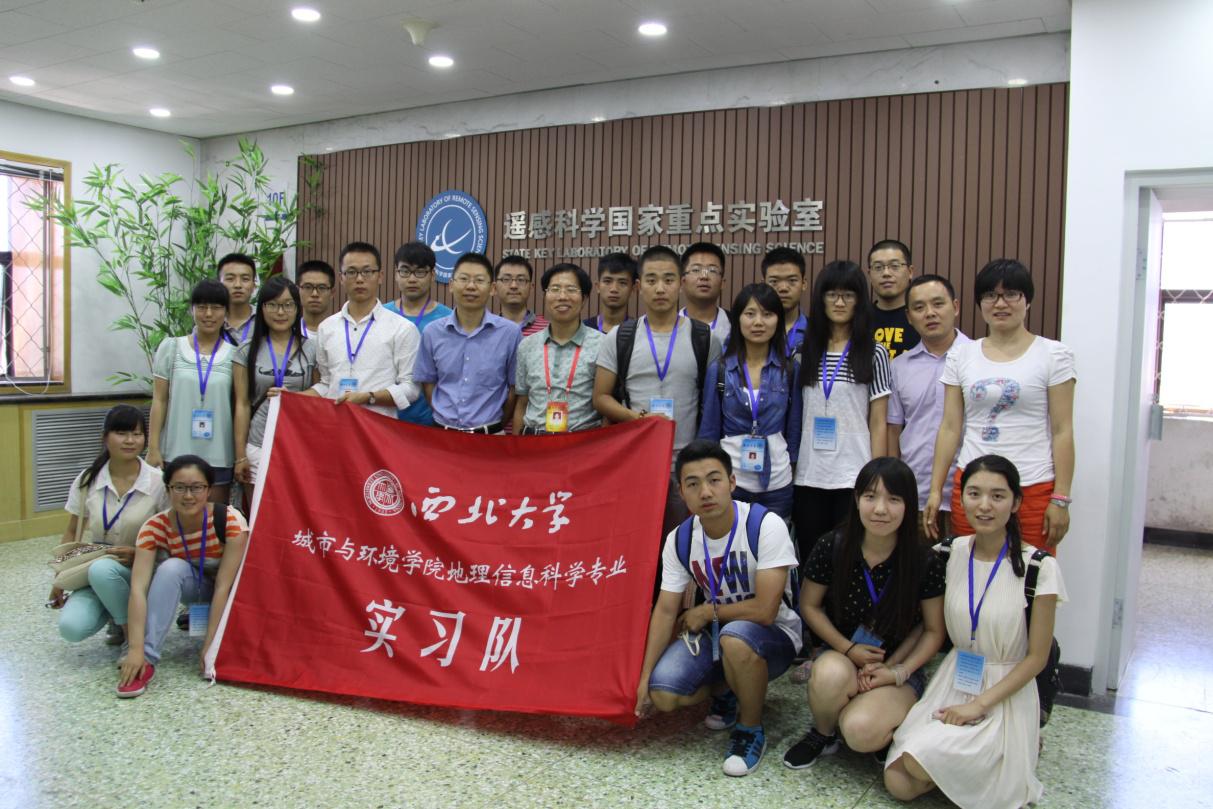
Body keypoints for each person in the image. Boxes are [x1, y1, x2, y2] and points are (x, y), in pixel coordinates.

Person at [884, 455, 1066, 808]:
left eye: (997, 496)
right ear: (961, 498)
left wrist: (979, 706)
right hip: (956, 677)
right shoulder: (947, 553)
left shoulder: (1039, 567)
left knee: (919, 763)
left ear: (1016, 503)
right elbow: (926, 625)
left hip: (1005, 689)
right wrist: (894, 667)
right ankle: (968, 767)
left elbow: (1037, 658)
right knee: (898, 781)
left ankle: (1011, 748)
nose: (984, 506)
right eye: (974, 493)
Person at [634, 440, 801, 777]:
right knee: (664, 694)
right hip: (717, 634)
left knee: (736, 637)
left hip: (772, 636)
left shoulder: (764, 525)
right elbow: (665, 610)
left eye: (714, 480)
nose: (706, 492)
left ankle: (749, 729)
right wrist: (644, 677)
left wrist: (707, 612)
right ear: (681, 492)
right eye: (693, 484)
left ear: (732, 482)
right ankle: (728, 690)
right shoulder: (680, 539)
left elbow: (765, 610)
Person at [783, 457, 946, 769]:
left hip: (899, 666)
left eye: (893, 499)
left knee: (860, 732)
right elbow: (809, 605)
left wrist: (897, 671)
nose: (880, 509)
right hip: (843, 654)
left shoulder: (925, 561)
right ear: (857, 499)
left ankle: (870, 717)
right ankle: (823, 732)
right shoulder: (832, 546)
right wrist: (849, 649)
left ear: (909, 504)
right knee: (829, 675)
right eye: (870, 497)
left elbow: (933, 630)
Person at [924, 259, 1076, 549]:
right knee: (968, 568)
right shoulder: (961, 356)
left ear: (1027, 300)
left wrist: (1061, 499)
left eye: (1011, 294)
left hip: (1032, 486)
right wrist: (935, 490)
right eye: (990, 295)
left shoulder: (1054, 355)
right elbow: (950, 428)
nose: (1000, 303)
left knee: (1030, 571)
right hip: (972, 487)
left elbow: (1062, 430)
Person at [594, 245, 721, 540]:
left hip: (688, 465)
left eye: (668, 279)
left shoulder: (704, 338)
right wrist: (639, 418)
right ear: (639, 287)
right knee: (635, 540)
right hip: (636, 461)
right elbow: (600, 397)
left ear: (681, 283)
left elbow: (713, 403)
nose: (660, 288)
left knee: (685, 543)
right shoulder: (620, 337)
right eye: (651, 280)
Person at [117, 455, 250, 698]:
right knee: (171, 568)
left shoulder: (230, 521)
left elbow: (224, 586)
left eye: (196, 487)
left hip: (233, 597)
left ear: (209, 490)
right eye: (179, 487)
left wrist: (210, 646)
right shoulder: (154, 528)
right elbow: (138, 589)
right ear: (168, 489)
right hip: (198, 590)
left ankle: (222, 638)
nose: (188, 496)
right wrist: (135, 649)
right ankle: (146, 660)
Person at [793, 260, 891, 563]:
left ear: (859, 301)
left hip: (853, 475)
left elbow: (879, 421)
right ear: (820, 298)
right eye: (832, 294)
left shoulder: (874, 353)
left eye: (848, 295)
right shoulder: (803, 351)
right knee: (811, 558)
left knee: (849, 559)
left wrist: (876, 477)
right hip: (809, 475)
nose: (839, 302)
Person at [50, 405, 168, 647]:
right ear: (105, 437)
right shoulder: (88, 479)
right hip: (96, 565)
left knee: (102, 571)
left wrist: (139, 554)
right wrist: (59, 579)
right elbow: (72, 530)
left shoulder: (158, 482)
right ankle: (118, 613)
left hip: (143, 569)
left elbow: (171, 535)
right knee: (71, 628)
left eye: (137, 434)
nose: (130, 440)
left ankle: (132, 637)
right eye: (121, 433)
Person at [697, 283, 802, 520]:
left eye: (767, 314)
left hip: (777, 484)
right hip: (730, 482)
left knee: (773, 542)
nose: (758, 322)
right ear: (738, 319)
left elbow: (794, 428)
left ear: (778, 320)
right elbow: (709, 431)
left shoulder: (789, 370)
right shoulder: (720, 369)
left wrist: (794, 469)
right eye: (750, 314)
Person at [887, 275, 971, 539]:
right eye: (919, 307)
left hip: (970, 494)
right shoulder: (899, 367)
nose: (930, 313)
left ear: (955, 307)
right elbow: (893, 430)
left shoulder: (979, 359)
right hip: (917, 494)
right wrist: (894, 487)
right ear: (909, 317)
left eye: (938, 304)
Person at [147, 279, 238, 503]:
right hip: (176, 450)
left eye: (216, 307)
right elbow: (159, 400)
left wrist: (240, 455)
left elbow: (240, 407)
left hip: (219, 453)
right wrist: (153, 447)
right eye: (202, 307)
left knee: (215, 518)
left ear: (226, 312)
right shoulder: (171, 348)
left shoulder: (236, 354)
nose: (209, 314)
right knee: (177, 516)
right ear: (192, 309)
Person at [309, 241, 422, 419]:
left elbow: (411, 388)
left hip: (376, 428)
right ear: (341, 278)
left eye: (367, 271)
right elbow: (326, 383)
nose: (360, 279)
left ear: (380, 276)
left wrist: (369, 397)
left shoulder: (402, 328)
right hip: (335, 425)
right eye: (351, 272)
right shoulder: (326, 328)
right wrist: (288, 396)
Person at [415, 252, 521, 433]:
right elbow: (428, 383)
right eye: (463, 279)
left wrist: (497, 425)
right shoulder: (432, 332)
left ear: (492, 288)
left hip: (490, 436)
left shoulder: (510, 333)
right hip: (443, 435)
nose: (471, 286)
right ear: (451, 285)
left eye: (479, 280)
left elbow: (514, 387)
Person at [233, 276, 317, 493]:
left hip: (298, 444)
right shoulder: (246, 351)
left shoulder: (312, 349)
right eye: (273, 305)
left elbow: (322, 392)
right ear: (262, 308)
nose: (280, 312)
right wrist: (240, 456)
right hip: (258, 443)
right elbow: (242, 404)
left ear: (297, 309)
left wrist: (295, 398)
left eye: (288, 305)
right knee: (258, 510)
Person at [513, 263, 603, 434]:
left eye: (571, 289)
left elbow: (605, 406)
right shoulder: (527, 345)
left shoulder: (602, 344)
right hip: (533, 441)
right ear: (545, 296)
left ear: (584, 298)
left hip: (581, 442)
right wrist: (516, 446)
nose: (562, 296)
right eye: (554, 289)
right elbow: (522, 403)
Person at [384, 241, 453, 426]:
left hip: (432, 421)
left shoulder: (449, 320)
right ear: (396, 274)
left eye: (420, 272)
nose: (412, 279)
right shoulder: (381, 315)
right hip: (385, 417)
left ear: (432, 275)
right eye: (405, 271)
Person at [867, 240, 920, 360]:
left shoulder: (922, 317)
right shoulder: (859, 319)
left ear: (910, 272)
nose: (886, 273)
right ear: (869, 275)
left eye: (895, 266)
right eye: (878, 267)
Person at [680, 241, 731, 346]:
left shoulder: (737, 325)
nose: (704, 276)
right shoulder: (668, 327)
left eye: (712, 270)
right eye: (696, 270)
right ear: (682, 282)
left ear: (722, 283)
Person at [762, 247, 809, 357]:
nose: (783, 288)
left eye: (792, 280)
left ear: (804, 284)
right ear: (763, 285)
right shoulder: (751, 331)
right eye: (774, 281)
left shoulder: (818, 332)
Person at [495, 255, 549, 337]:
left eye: (521, 280)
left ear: (531, 287)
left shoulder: (548, 329)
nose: (513, 286)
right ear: (495, 287)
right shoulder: (486, 330)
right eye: (506, 279)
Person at [584, 251, 637, 334]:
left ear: (633, 289)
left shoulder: (639, 331)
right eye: (607, 281)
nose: (614, 289)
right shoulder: (583, 329)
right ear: (598, 287)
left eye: (622, 283)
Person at [217, 252, 258, 345]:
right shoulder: (210, 320)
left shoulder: (265, 319)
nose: (238, 285)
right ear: (219, 284)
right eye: (230, 279)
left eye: (245, 279)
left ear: (254, 285)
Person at [297, 259, 336, 339]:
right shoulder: (288, 332)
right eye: (308, 287)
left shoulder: (341, 332)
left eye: (321, 288)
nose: (314, 294)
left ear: (332, 293)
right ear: (298, 291)